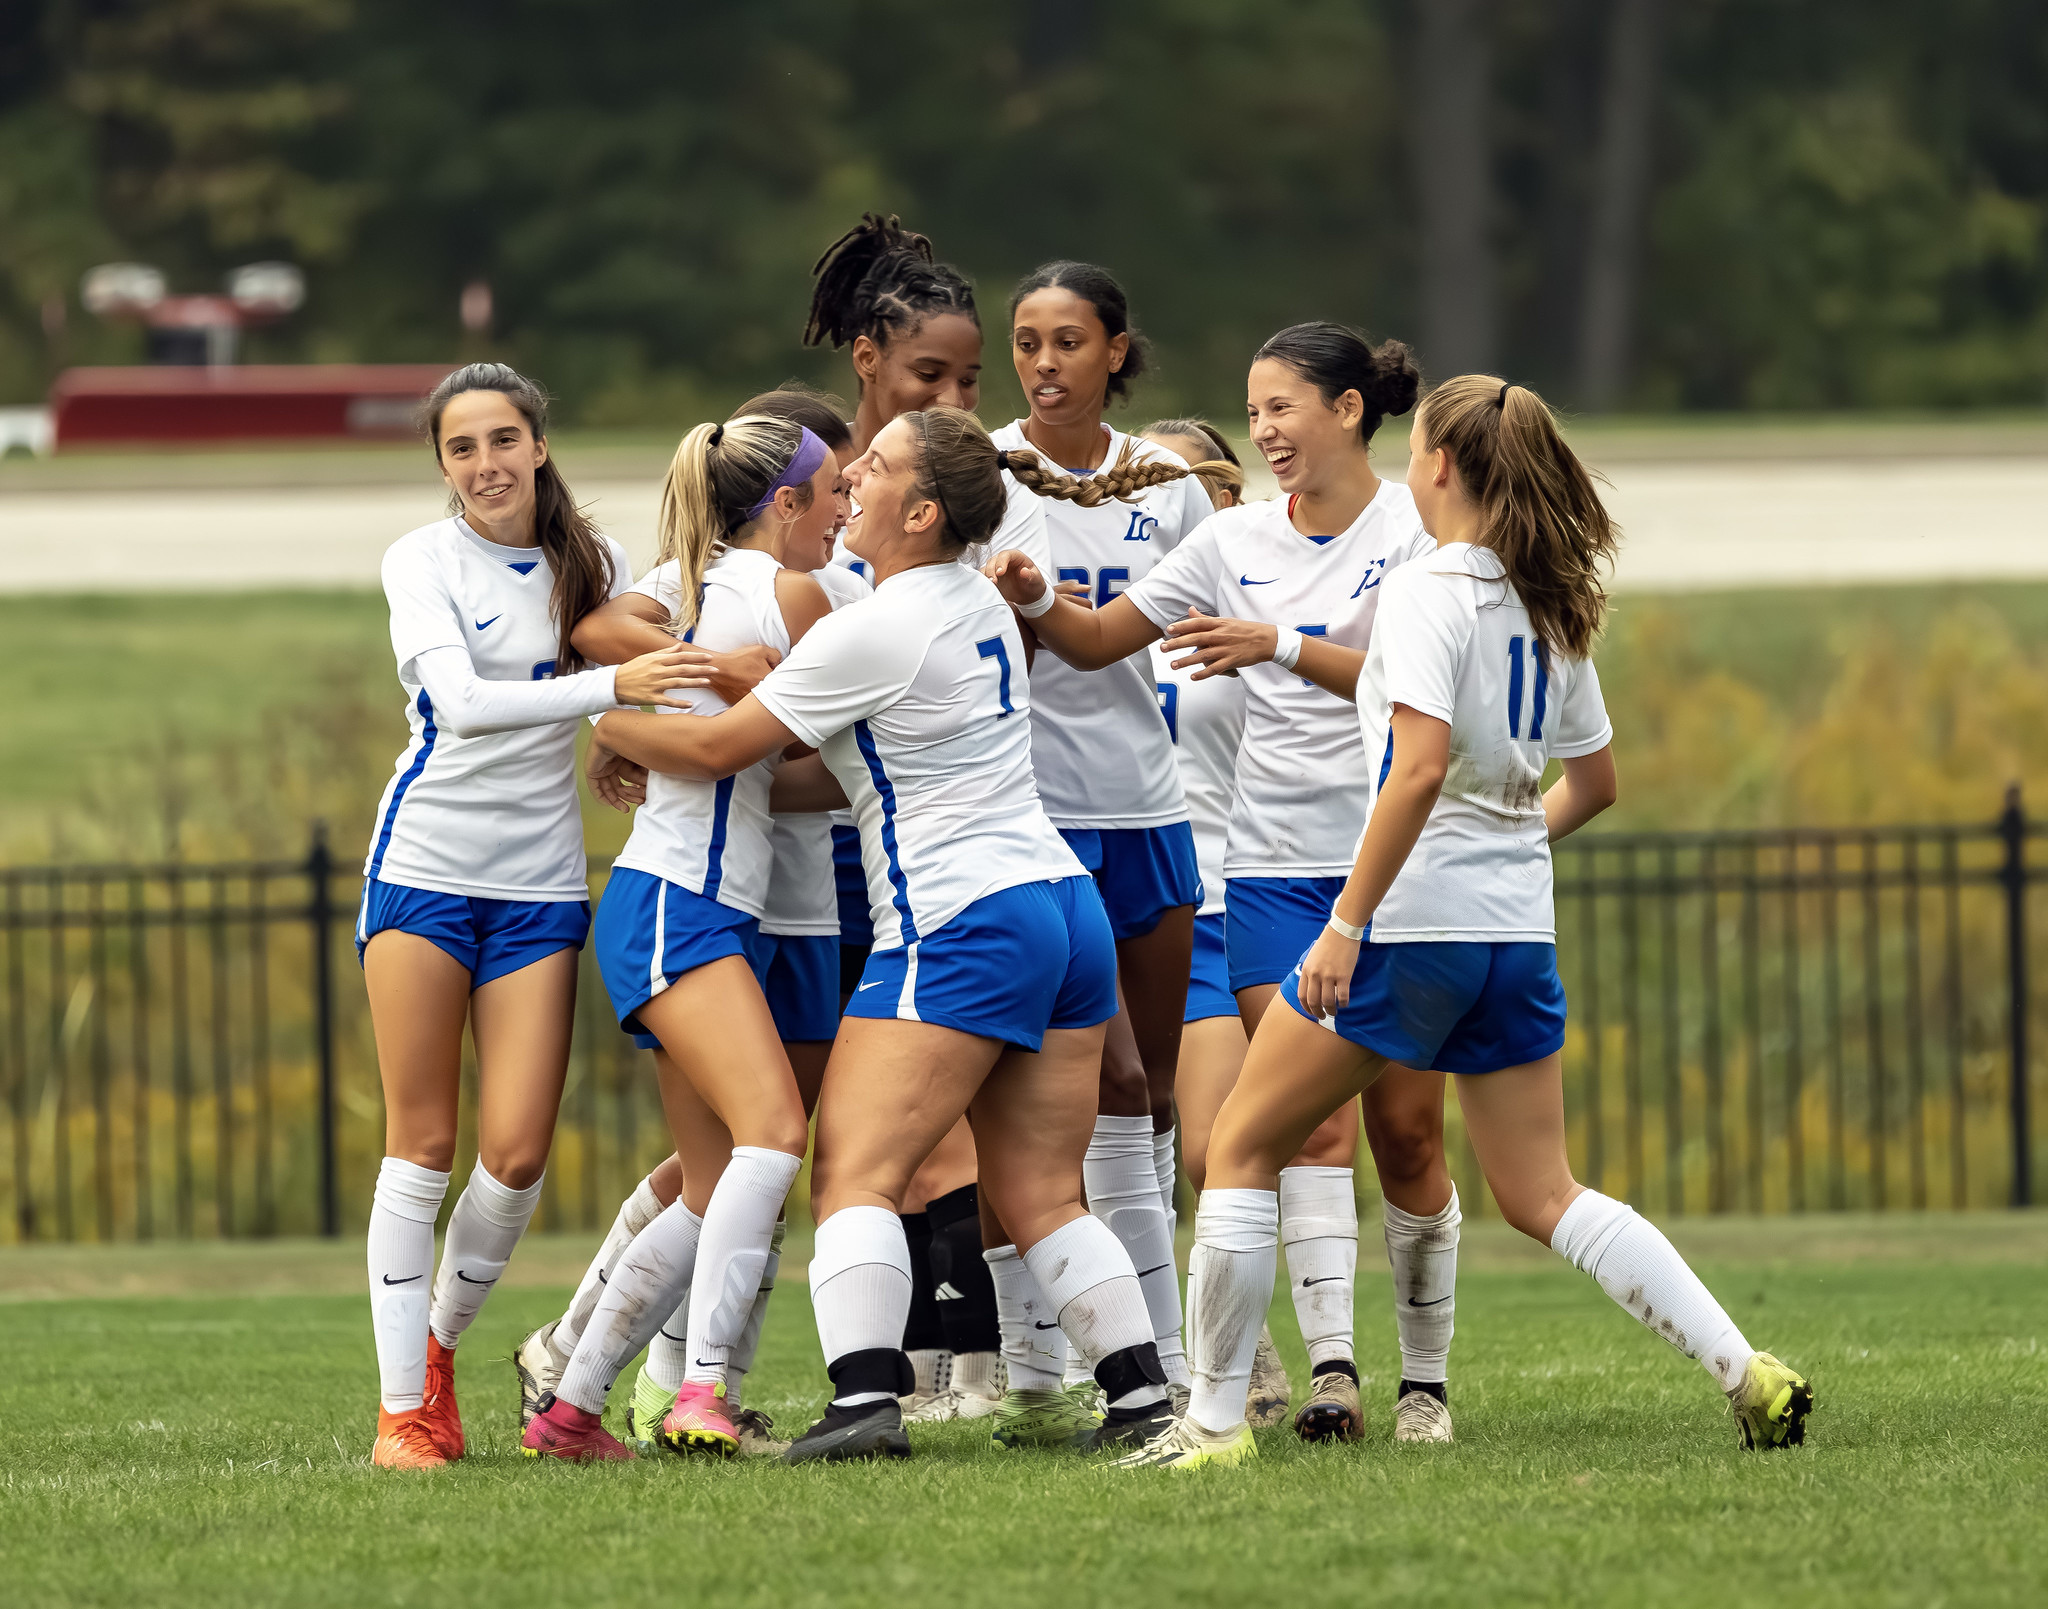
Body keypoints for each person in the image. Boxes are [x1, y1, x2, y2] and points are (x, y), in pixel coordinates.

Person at [1119, 375, 1817, 1469]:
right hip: (1513, 935)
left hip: (1408, 928)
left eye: (1418, 451)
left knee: (1242, 1147)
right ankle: (1744, 1368)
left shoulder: (1424, 587)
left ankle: (1210, 1428)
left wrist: (1348, 920)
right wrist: (1497, 856)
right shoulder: (1548, 597)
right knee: (1543, 1192)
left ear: (1439, 464)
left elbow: (1417, 770)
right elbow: (1592, 784)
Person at [570, 406, 1182, 1463]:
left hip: (959, 920)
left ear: (923, 509)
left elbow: (718, 749)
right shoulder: (977, 605)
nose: (852, 473)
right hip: (1058, 907)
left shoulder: (874, 624)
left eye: (879, 464)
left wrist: (598, 721)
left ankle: (861, 1403)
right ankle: (1139, 1399)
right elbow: (818, 778)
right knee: (1039, 1188)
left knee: (852, 1170)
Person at [988, 324, 1464, 1444]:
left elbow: (1418, 689)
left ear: (1347, 411)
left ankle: (1427, 1383)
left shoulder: (1414, 533)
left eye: (1282, 408)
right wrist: (1029, 595)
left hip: (1400, 869)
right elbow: (1102, 638)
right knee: (1282, 1127)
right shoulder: (1232, 533)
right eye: (1252, 412)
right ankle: (1326, 1377)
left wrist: (1280, 644)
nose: (1263, 432)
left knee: (1404, 1137)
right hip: (1263, 876)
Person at [511, 388, 860, 1460]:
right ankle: (699, 1393)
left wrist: (634, 714)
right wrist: (631, 714)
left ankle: (569, 1408)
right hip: (678, 904)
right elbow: (715, 731)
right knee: (774, 1136)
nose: (847, 506)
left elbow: (617, 657)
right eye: (835, 491)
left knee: (715, 1187)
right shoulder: (782, 590)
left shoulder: (713, 590)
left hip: (701, 907)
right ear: (788, 501)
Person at [359, 362, 694, 1469]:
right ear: (442, 463)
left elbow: (615, 664)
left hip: (539, 886)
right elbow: (459, 706)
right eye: (462, 448)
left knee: (513, 1156)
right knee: (425, 1144)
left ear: (537, 446)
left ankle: (441, 1350)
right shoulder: (420, 559)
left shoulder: (583, 564)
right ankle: (404, 1409)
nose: (485, 464)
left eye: (503, 440)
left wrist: (612, 740)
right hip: (422, 872)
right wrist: (611, 698)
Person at [985, 260, 1219, 1435]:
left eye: (1067, 341)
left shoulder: (1170, 485)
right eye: (1025, 341)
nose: (1041, 363)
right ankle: (1087, 1362)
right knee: (1085, 1085)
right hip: (1030, 815)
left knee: (1154, 1095)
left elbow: (1173, 652)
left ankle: (1108, 1362)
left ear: (1116, 351)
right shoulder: (981, 470)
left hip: (1148, 809)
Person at [805, 216, 1011, 1420]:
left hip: (924, 855)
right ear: (869, 356)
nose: (952, 401)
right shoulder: (811, 473)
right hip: (815, 852)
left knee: (925, 1130)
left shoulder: (952, 493)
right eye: (930, 377)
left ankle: (952, 1361)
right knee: (795, 1130)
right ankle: (663, 1369)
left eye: (965, 381)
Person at [1137, 415, 1291, 1429]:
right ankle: (1197, 1362)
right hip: (1163, 902)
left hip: (1250, 895)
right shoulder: (1116, 629)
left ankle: (1299, 1367)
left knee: (1237, 1141)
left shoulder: (1246, 614)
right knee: (1169, 1141)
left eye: (1171, 488)